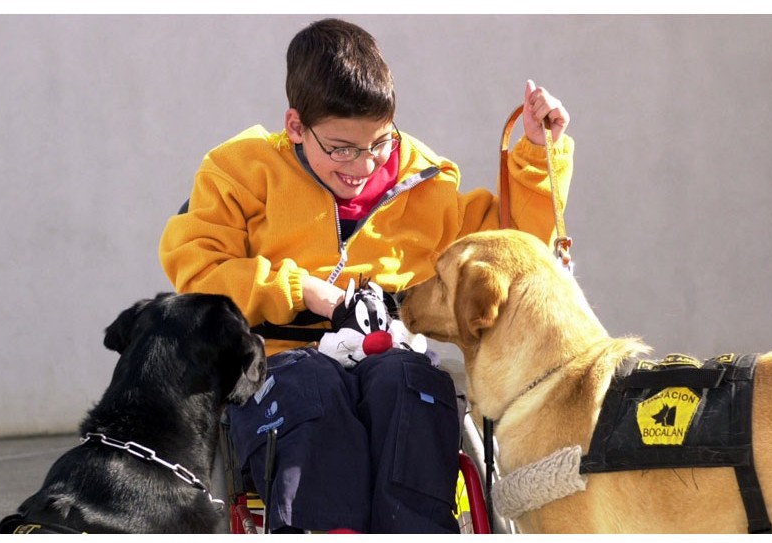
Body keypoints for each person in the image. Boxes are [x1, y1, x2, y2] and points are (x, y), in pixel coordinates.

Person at [159, 18, 573, 534]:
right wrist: (300, 289)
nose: (362, 164)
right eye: (340, 148)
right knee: (312, 385)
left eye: (378, 143)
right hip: (283, 360)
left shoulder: (425, 182)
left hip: (390, 351)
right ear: (294, 127)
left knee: (411, 385)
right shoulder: (240, 172)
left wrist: (536, 155)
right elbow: (197, 271)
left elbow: (513, 250)